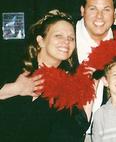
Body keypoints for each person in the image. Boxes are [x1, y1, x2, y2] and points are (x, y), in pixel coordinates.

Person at [0, 10, 90, 142]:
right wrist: (15, 88)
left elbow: (72, 132)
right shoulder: (12, 64)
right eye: (58, 36)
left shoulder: (67, 86)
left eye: (71, 38)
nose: (66, 42)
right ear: (40, 41)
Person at [76, 0, 116, 141]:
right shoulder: (66, 39)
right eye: (93, 8)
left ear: (115, 13)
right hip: (70, 133)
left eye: (106, 9)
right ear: (82, 10)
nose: (99, 16)